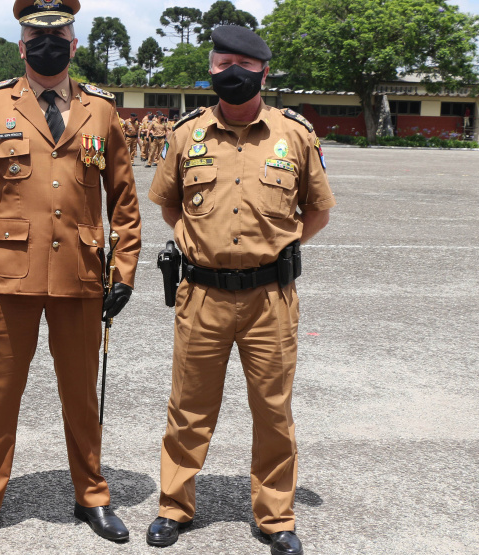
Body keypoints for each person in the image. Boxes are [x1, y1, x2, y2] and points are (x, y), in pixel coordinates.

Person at [0, 0, 142, 548]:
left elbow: (123, 197)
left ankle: (93, 496)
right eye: (38, 35)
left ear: (74, 45)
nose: (48, 44)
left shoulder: (101, 109)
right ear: (22, 44)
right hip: (8, 278)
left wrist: (123, 269)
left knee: (81, 396)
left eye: (59, 35)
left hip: (80, 276)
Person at [145, 26, 335, 555]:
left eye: (242, 65)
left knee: (273, 409)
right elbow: (167, 201)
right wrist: (188, 236)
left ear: (264, 72)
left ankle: (276, 517)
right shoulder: (187, 133)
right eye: (221, 61)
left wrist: (284, 243)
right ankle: (174, 506)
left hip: (269, 298)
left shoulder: (294, 135)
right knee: (188, 407)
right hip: (201, 295)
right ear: (211, 69)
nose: (230, 72)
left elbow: (317, 209)